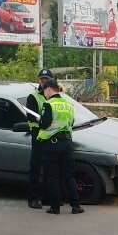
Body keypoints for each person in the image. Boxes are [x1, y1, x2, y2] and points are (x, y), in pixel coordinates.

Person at [37, 80, 83, 215]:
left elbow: (44, 124)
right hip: (67, 143)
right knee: (69, 176)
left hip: (53, 144)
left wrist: (39, 120)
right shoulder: (68, 105)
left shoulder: (49, 104)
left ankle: (55, 207)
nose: (44, 94)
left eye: (44, 91)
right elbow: (71, 122)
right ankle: (76, 206)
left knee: (53, 176)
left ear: (49, 89)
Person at [25, 70, 53, 209]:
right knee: (36, 167)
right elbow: (31, 117)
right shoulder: (33, 96)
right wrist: (45, 121)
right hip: (38, 135)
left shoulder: (55, 96)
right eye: (42, 79)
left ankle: (47, 197)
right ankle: (33, 198)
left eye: (46, 79)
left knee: (50, 168)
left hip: (51, 135)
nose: (44, 81)